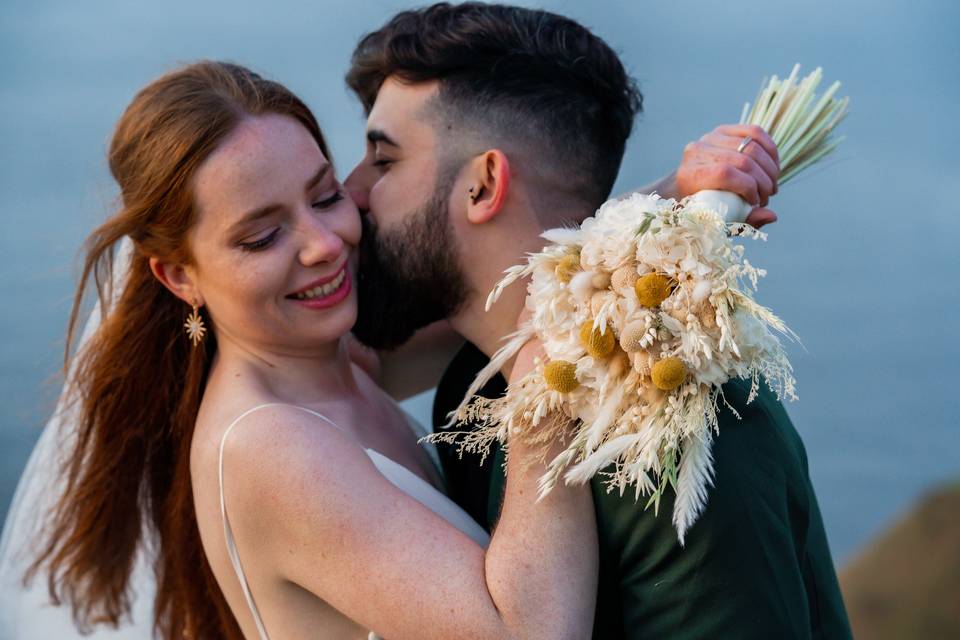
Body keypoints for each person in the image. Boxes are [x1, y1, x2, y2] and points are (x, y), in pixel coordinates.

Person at [8, 60, 603, 640]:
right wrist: (539, 406)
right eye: (262, 237)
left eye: (323, 198)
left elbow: (497, 284)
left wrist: (671, 202)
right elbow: (532, 630)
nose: (325, 245)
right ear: (179, 277)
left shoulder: (343, 360)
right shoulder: (268, 445)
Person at [342, 3, 853, 638]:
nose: (349, 191)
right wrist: (658, 199)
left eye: (383, 160)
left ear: (483, 186)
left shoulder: (675, 428)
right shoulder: (473, 385)